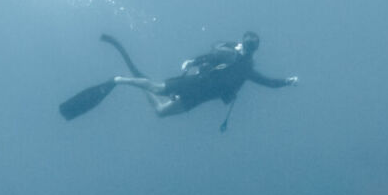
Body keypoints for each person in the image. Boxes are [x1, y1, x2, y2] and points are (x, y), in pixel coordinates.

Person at [59, 32, 298, 121]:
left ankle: (135, 84)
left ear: (252, 49)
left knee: (160, 112)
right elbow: (209, 56)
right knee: (155, 88)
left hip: (198, 98)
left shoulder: (245, 67)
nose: (246, 49)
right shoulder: (230, 55)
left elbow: (268, 83)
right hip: (194, 84)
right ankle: (119, 80)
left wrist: (287, 82)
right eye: (247, 45)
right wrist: (192, 62)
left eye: (250, 46)